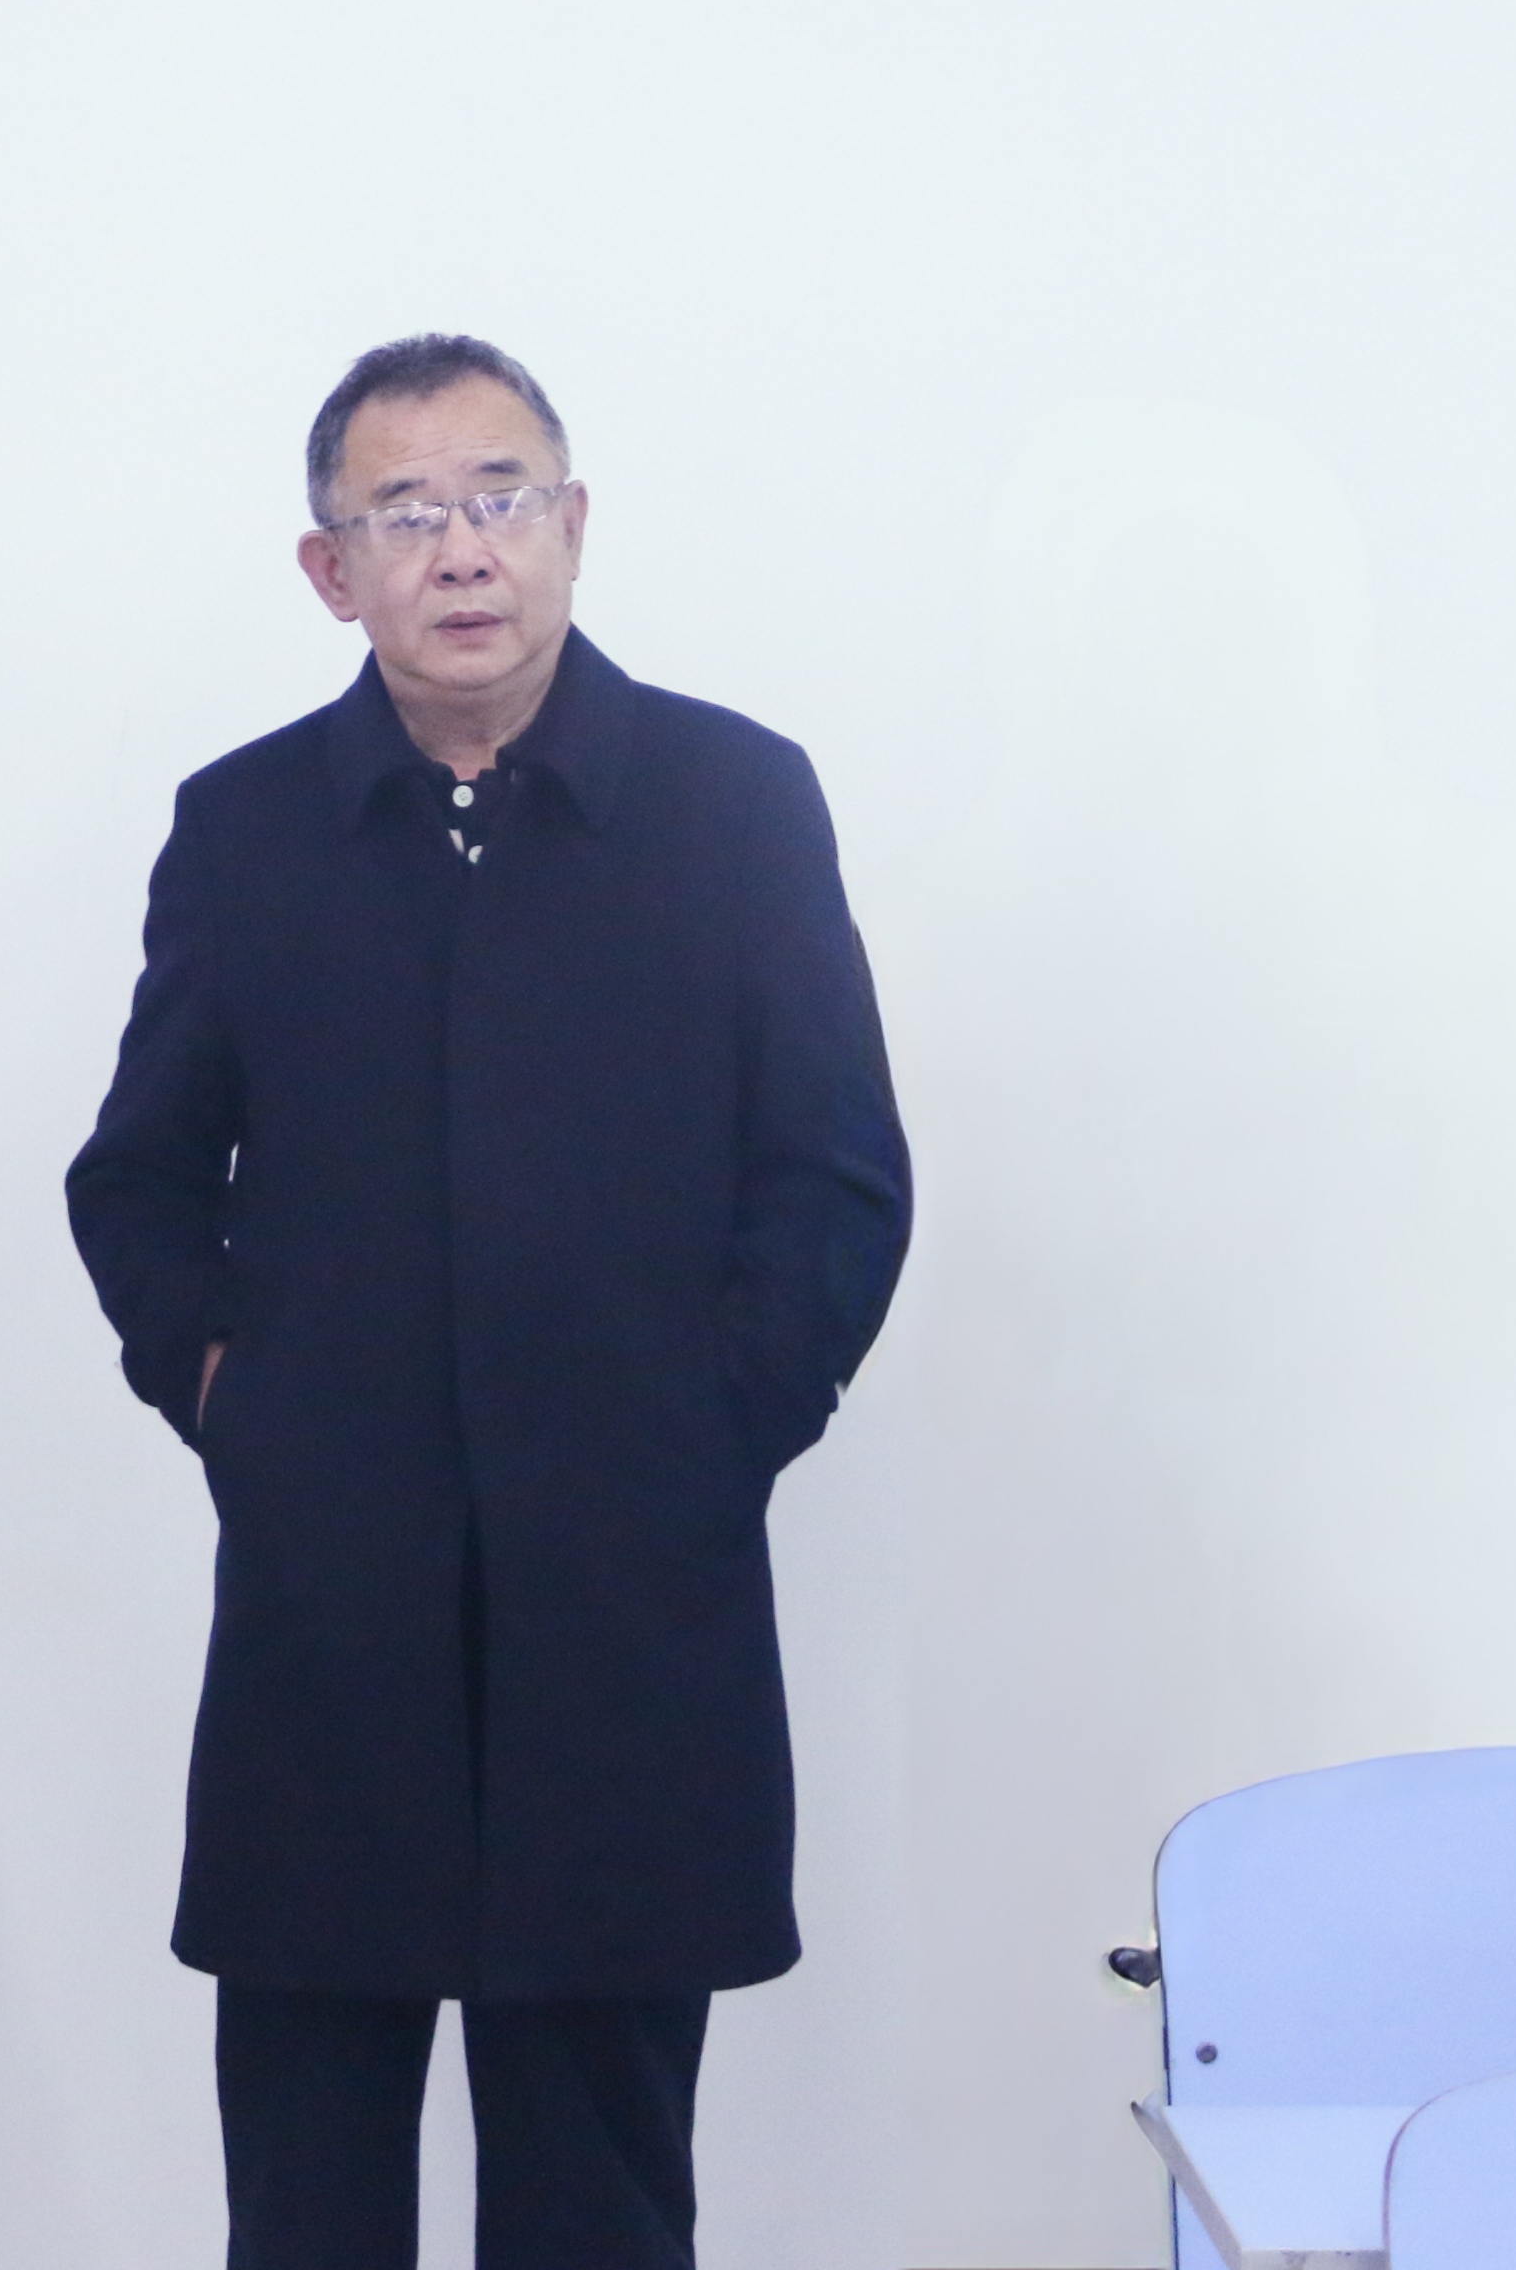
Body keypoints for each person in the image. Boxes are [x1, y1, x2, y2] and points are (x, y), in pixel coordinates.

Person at [67, 333, 910, 2270]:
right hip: (329, 1613)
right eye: (405, 512)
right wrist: (234, 1400)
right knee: (307, 2194)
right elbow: (137, 1174)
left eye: (500, 496)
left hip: (629, 1607)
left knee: (599, 2199)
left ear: (573, 525)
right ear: (328, 569)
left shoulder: (731, 799)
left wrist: (712, 1433)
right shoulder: (246, 825)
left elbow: (836, 1174)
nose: (462, 550)